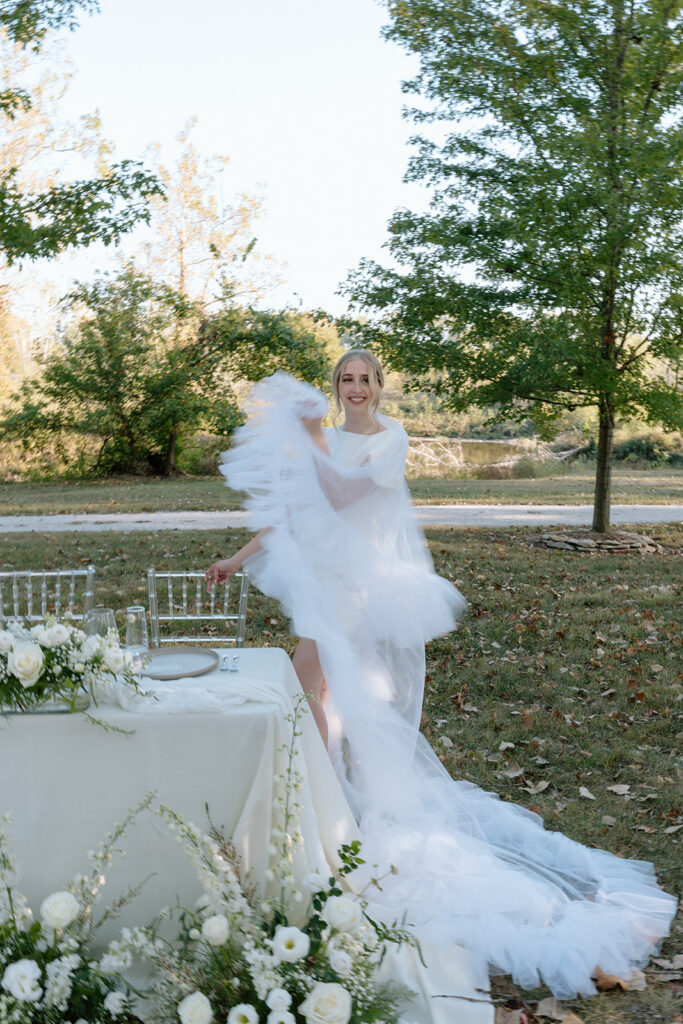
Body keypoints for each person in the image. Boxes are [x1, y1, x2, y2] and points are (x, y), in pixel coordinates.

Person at [206, 350, 676, 1000]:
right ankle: (331, 794)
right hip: (319, 574)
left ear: (378, 386)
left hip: (352, 583)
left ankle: (330, 802)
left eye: (365, 379)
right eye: (346, 379)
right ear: (336, 387)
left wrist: (309, 436)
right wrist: (237, 556)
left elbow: (342, 494)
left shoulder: (388, 439)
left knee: (304, 686)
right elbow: (296, 509)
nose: (356, 389)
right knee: (315, 693)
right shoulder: (334, 437)